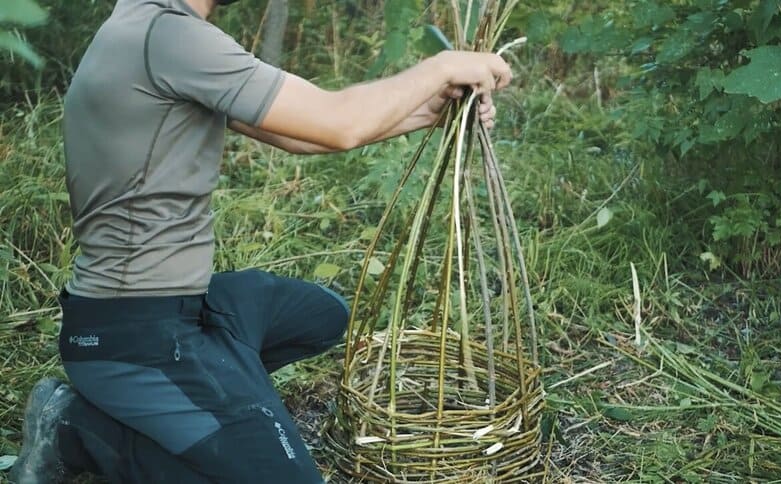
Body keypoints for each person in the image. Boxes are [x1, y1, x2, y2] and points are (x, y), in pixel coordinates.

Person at [10, 0, 511, 482]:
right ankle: (77, 428)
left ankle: (220, 389)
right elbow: (337, 122)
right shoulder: (168, 35)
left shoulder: (149, 26)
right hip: (136, 335)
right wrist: (442, 66)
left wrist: (430, 112)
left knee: (321, 316)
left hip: (176, 305)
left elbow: (302, 134)